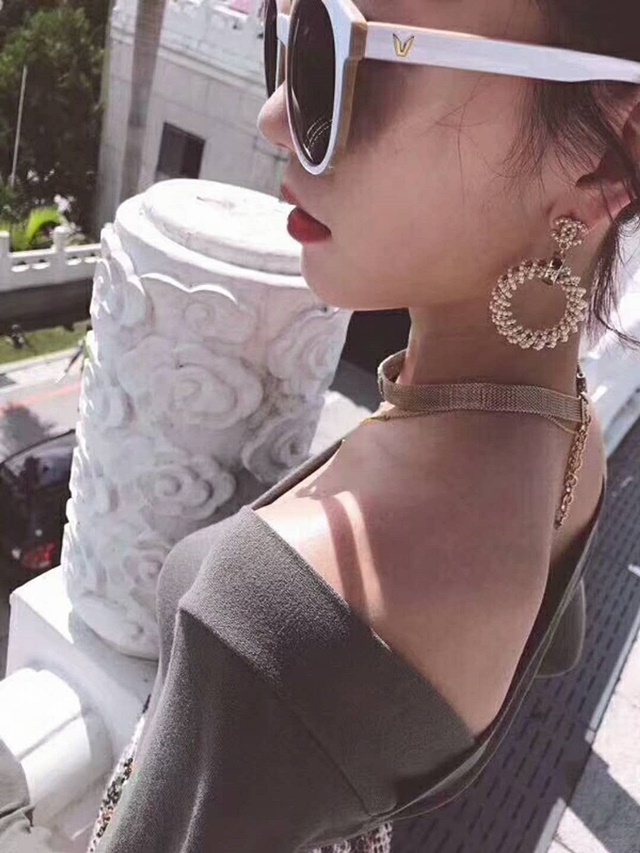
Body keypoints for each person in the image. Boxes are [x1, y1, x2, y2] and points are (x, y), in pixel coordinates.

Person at [1, 0, 638, 850]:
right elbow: (550, 648)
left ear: (603, 157)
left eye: (349, 61)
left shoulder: (266, 612)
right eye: (296, 32)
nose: (275, 118)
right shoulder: (572, 446)